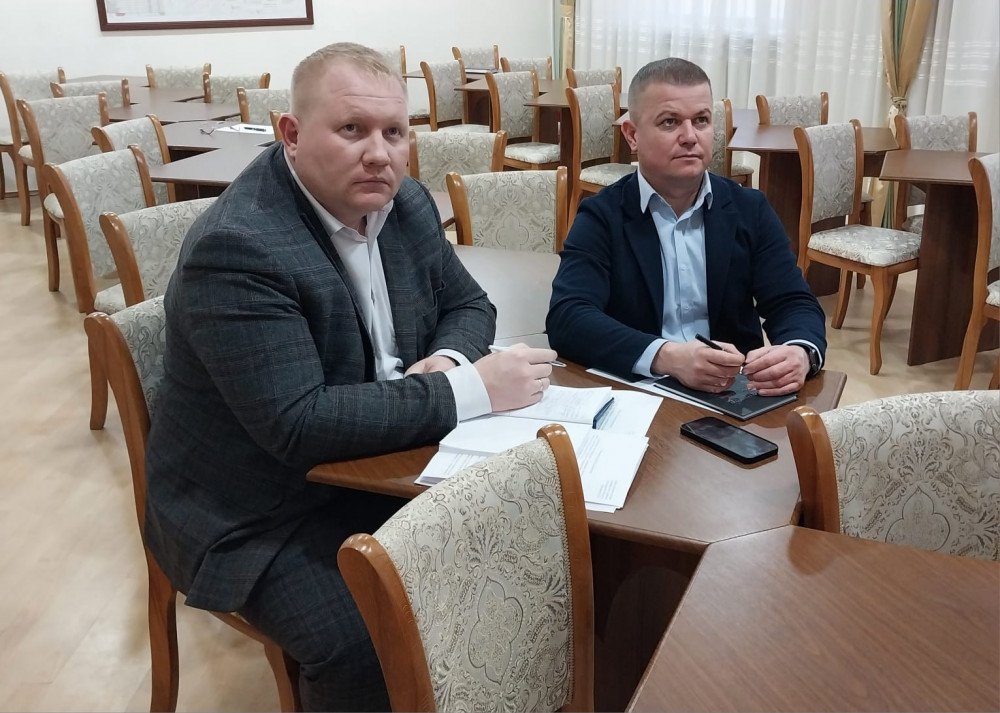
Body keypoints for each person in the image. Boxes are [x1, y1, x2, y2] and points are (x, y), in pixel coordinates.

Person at [143, 42, 556, 711]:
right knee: (366, 635)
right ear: (291, 134)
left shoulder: (404, 201)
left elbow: (469, 304)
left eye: (394, 132)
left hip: (383, 460)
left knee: (528, 537)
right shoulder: (239, 246)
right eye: (352, 129)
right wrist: (469, 389)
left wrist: (448, 361)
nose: (378, 154)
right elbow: (297, 424)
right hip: (260, 508)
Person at [546, 57, 826, 396]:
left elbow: (793, 302)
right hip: (639, 391)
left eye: (702, 120)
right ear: (632, 135)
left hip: (732, 392)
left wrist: (800, 351)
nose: (690, 137)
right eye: (670, 122)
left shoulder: (749, 209)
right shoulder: (603, 215)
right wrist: (667, 357)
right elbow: (568, 317)